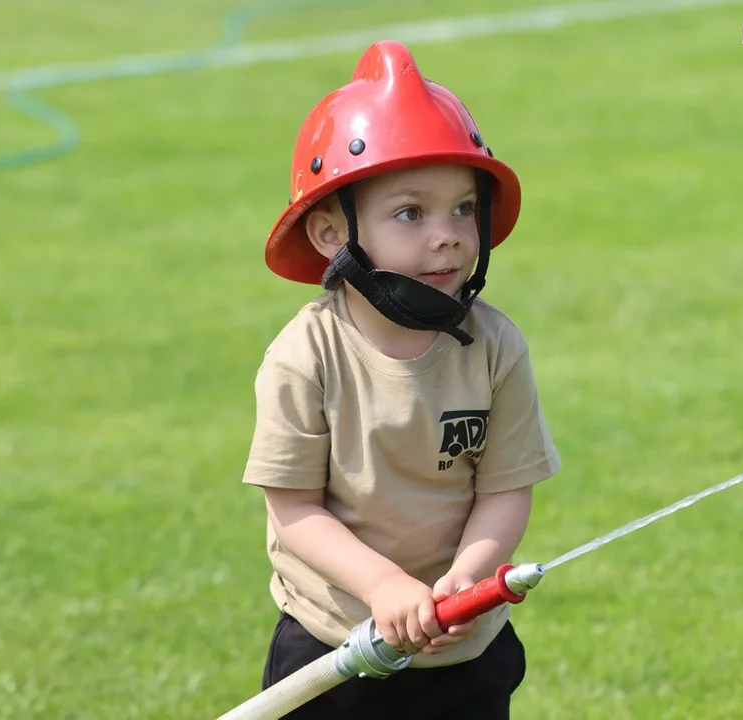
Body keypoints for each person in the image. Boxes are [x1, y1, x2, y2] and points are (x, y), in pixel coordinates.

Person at [240, 39, 562, 719]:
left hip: (462, 652)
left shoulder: (495, 347)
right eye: (411, 213)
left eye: (463, 209)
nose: (447, 235)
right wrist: (386, 588)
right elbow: (294, 511)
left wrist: (467, 582)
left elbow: (506, 491)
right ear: (333, 232)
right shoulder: (307, 355)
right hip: (335, 646)